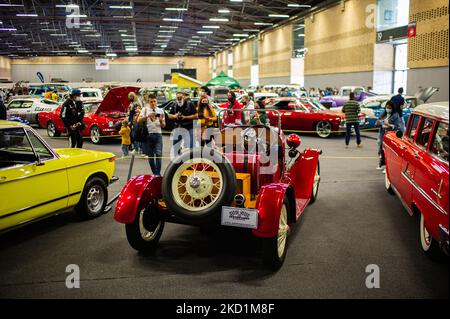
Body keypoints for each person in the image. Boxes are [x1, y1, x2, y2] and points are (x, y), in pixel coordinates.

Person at [139, 94, 166, 175]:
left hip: (158, 134)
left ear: (156, 101)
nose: (153, 103)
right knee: (150, 157)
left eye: (154, 101)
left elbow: (164, 125)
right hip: (148, 135)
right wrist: (147, 116)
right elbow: (139, 120)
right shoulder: (145, 109)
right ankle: (155, 173)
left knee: (158, 155)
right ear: (148, 102)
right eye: (151, 102)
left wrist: (161, 121)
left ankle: (157, 174)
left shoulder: (160, 110)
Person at [376, 100, 403, 170]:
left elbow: (397, 126)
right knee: (381, 150)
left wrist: (389, 125)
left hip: (390, 135)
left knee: (387, 152)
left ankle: (387, 168)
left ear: (392, 108)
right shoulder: (383, 114)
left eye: (389, 108)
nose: (388, 109)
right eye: (387, 107)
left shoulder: (395, 115)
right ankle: (381, 165)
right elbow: (377, 122)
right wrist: (380, 124)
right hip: (382, 134)